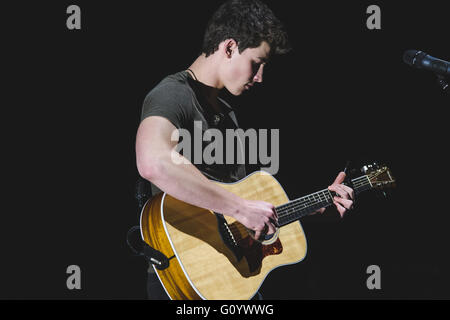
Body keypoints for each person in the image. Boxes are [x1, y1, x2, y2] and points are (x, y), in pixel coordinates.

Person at [135, 0, 354, 300]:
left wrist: (313, 209)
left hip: (232, 281)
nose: (261, 77)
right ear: (229, 47)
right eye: (257, 63)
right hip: (186, 278)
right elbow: (152, 163)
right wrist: (239, 207)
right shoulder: (173, 95)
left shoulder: (227, 113)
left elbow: (239, 220)